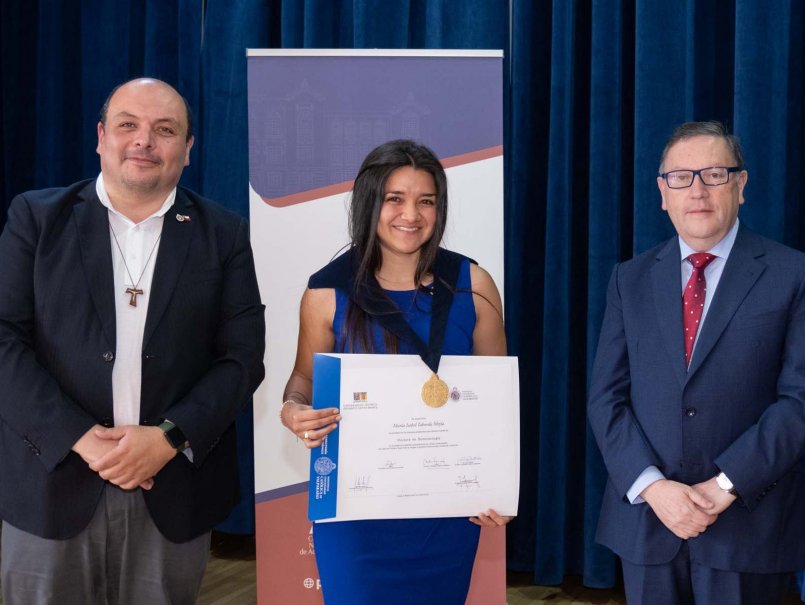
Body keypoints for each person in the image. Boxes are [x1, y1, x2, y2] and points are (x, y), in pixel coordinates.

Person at [0, 78, 265, 604]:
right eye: (128, 125)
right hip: (51, 482)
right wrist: (78, 436)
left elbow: (241, 359)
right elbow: (4, 339)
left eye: (164, 130)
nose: (144, 141)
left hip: (171, 489)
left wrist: (167, 437)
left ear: (188, 150)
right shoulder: (36, 218)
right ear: (101, 137)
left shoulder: (224, 233)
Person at [279, 139, 511, 604]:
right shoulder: (327, 291)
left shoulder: (473, 284)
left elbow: (498, 399)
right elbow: (302, 379)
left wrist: (500, 485)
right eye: (395, 199)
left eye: (426, 201)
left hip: (448, 510)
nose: (412, 214)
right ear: (369, 202)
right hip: (355, 513)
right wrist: (293, 410)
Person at [588, 121, 805, 605]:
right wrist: (654, 488)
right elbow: (606, 398)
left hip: (748, 523)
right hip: (648, 524)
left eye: (714, 174)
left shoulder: (793, 274)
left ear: (741, 185)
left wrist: (724, 485)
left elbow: (799, 402)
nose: (698, 191)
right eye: (681, 178)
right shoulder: (630, 279)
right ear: (663, 193)